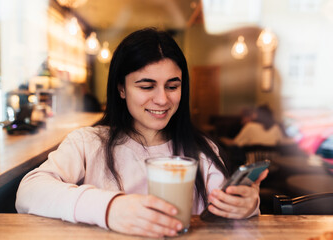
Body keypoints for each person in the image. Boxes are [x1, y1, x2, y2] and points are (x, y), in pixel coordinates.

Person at [15, 28, 267, 238]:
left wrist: (245, 205)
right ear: (121, 89)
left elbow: (227, 215)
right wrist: (109, 208)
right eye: (146, 86)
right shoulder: (88, 143)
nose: (162, 99)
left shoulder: (203, 151)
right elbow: (28, 193)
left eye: (172, 86)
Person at [221, 105, 290, 147]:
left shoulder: (250, 126)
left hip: (254, 165)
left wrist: (221, 140)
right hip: (273, 164)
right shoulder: (275, 127)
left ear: (257, 115)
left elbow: (235, 143)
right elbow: (282, 142)